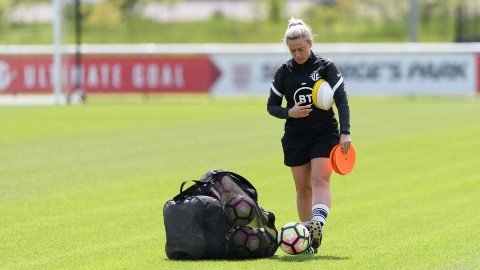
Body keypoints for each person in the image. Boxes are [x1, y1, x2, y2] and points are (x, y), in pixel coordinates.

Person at [267, 17, 351, 254]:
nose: (297, 54)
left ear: (311, 43)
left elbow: (342, 101)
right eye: (292, 50)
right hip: (295, 136)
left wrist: (345, 132)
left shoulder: (326, 67)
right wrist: (289, 112)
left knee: (320, 179)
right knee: (302, 188)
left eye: (301, 49)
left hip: (325, 133)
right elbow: (271, 106)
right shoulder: (284, 71)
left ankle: (317, 225)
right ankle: (307, 242)